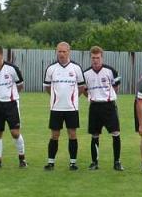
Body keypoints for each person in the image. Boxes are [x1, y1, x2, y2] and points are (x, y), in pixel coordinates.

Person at [43, 41, 86, 170]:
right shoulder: (51, 69)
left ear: (69, 52)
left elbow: (82, 87)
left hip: (71, 108)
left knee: (72, 134)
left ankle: (73, 163)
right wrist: (56, 97)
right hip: (56, 108)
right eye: (59, 51)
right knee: (54, 135)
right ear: (56, 52)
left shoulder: (76, 68)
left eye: (64, 51)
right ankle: (51, 162)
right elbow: (47, 87)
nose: (61, 54)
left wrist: (72, 99)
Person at [0, 45, 27, 168]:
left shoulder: (12, 68)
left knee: (15, 133)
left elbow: (20, 85)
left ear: (1, 55)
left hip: (11, 104)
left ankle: (22, 159)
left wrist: (9, 95)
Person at [83, 46, 123, 171]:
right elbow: (84, 89)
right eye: (93, 58)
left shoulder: (110, 71)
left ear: (102, 57)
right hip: (94, 106)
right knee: (95, 135)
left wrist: (109, 96)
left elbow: (116, 86)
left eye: (98, 58)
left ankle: (117, 162)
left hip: (109, 106)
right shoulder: (86, 73)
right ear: (90, 58)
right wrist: (92, 97)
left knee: (115, 133)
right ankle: (94, 162)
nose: (95, 60)